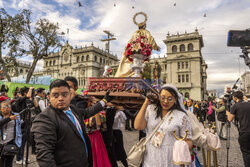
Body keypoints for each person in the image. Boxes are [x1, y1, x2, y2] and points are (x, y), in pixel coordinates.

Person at [31, 79, 112, 167]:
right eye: (55, 95)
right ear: (49, 97)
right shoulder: (45, 119)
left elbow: (88, 112)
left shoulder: (73, 109)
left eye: (64, 94)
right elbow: (44, 157)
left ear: (70, 95)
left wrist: (104, 101)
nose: (60, 98)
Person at [134, 84, 192, 167]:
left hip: (171, 158)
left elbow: (188, 140)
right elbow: (138, 126)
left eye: (170, 99)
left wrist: (181, 148)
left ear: (175, 99)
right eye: (163, 97)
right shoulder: (151, 109)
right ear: (159, 97)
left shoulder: (181, 116)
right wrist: (146, 102)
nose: (165, 101)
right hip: (151, 156)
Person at [84, 97, 111, 167]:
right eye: (94, 102)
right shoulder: (85, 112)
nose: (95, 104)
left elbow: (98, 123)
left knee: (97, 156)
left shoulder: (101, 113)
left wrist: (95, 110)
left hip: (96, 137)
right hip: (87, 137)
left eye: (97, 103)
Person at [226, 91, 250, 167]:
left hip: (244, 132)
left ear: (235, 98)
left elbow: (229, 119)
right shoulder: (248, 104)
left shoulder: (235, 106)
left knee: (246, 153)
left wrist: (227, 113)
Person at [0, 101, 22, 167]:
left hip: (11, 142)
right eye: (4, 107)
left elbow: (21, 126)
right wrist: (9, 119)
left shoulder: (16, 115)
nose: (6, 108)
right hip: (0, 144)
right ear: (0, 109)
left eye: (8, 106)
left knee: (9, 163)